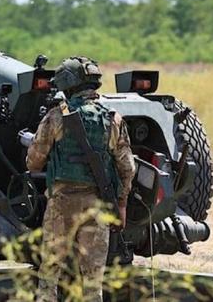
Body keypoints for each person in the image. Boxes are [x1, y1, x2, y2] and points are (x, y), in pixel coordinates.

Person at [26, 56, 136, 302]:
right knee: (93, 279)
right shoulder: (113, 119)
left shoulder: (56, 117)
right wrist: (121, 204)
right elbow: (128, 167)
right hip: (97, 205)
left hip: (61, 205)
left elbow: (33, 162)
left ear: (67, 84)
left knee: (50, 273)